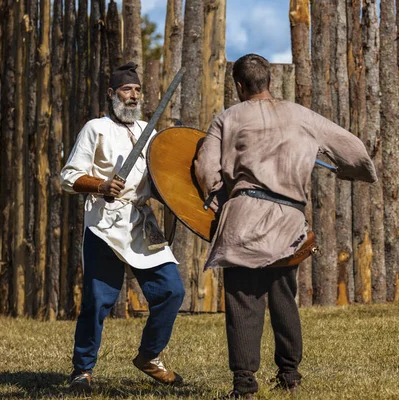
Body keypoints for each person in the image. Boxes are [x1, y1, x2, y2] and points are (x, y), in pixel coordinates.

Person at [194, 54, 377, 399]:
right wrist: (348, 171)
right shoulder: (300, 115)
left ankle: (245, 385)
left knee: (244, 300)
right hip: (288, 220)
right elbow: (353, 148)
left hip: (244, 218)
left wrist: (216, 198)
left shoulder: (227, 119)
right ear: (269, 81)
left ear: (238, 85)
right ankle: (290, 375)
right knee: (283, 296)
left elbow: (207, 168)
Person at [60, 62, 185, 393]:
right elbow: (69, 176)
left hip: (142, 224)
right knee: (97, 302)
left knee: (172, 291)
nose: (134, 96)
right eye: (127, 90)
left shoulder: (149, 132)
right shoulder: (95, 128)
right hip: (104, 224)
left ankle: (149, 357)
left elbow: (162, 179)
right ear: (112, 94)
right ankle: (82, 371)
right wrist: (101, 185)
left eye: (138, 90)